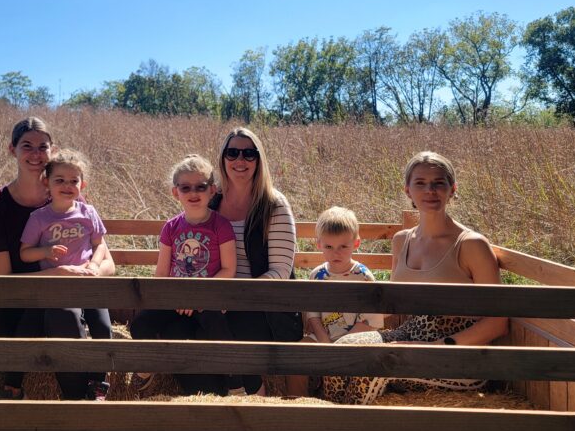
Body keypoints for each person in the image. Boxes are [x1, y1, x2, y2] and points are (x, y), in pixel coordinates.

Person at [0, 117, 114, 401]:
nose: (36, 154)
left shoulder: (71, 198)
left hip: (65, 294)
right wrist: (58, 274)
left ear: (53, 150)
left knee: (63, 313)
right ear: (11, 149)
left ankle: (79, 399)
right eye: (27, 146)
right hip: (13, 296)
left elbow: (107, 261)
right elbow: (1, 279)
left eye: (43, 147)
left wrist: (86, 276)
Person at [327, 151, 507, 403]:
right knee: (341, 352)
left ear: (452, 189)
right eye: (420, 183)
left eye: (438, 183)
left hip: (457, 352)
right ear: (408, 190)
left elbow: (497, 324)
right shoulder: (402, 240)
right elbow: (392, 303)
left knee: (373, 367)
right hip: (409, 334)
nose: (430, 190)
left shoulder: (471, 245)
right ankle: (332, 428)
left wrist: (435, 347)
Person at [130, 154, 241, 396]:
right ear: (175, 192)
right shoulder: (171, 227)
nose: (193, 193)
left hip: (208, 298)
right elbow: (161, 273)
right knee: (140, 323)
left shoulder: (220, 226)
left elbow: (228, 269)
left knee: (216, 324)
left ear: (212, 190)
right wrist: (169, 299)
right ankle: (149, 366)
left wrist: (198, 297)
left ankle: (235, 381)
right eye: (185, 187)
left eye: (200, 187)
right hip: (176, 301)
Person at [208, 127, 298, 396]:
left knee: (224, 324)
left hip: (265, 305)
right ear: (223, 158)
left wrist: (236, 298)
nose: (240, 160)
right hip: (217, 299)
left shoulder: (274, 204)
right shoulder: (211, 201)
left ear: (259, 161)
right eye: (232, 152)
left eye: (249, 153)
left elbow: (281, 271)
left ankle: (250, 390)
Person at [285, 206, 382, 397]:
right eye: (329, 247)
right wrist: (325, 343)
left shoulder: (363, 277)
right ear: (318, 244)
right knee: (295, 354)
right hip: (324, 337)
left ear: (356, 243)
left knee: (349, 364)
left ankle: (337, 404)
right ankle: (296, 402)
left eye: (343, 247)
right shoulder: (317, 275)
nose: (336, 253)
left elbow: (369, 323)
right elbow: (313, 316)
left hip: (355, 339)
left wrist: (339, 347)